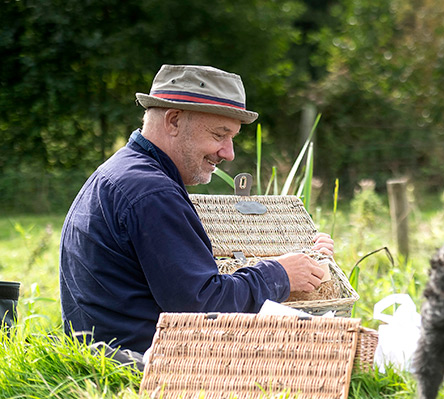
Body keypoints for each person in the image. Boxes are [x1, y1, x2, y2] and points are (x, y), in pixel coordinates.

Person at [59, 64, 335, 355]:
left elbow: (187, 284)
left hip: (107, 357)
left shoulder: (123, 172)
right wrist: (279, 275)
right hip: (141, 366)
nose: (228, 153)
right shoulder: (152, 193)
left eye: (232, 138)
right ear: (174, 121)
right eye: (219, 135)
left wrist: (306, 257)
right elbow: (203, 309)